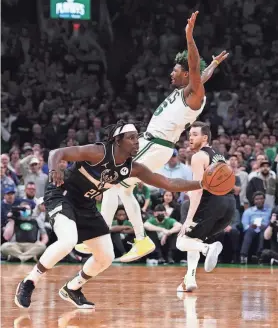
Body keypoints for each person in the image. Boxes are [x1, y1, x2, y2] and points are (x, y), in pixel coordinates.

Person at [82, 11, 229, 263]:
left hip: (154, 144)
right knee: (123, 190)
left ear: (186, 74)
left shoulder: (194, 94)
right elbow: (201, 74)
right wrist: (213, 65)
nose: (171, 74)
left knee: (112, 183)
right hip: (155, 146)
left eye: (175, 71)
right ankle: (138, 240)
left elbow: (195, 69)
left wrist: (189, 37)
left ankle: (102, 236)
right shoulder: (188, 89)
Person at [15, 120, 209, 309]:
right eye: (131, 138)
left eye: (137, 138)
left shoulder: (133, 167)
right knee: (68, 241)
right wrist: (55, 169)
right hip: (62, 196)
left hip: (86, 205)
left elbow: (168, 183)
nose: (136, 141)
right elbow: (58, 153)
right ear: (118, 140)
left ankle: (72, 288)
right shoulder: (98, 152)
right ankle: (29, 282)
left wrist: (202, 183)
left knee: (106, 256)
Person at [176, 121, 236, 292]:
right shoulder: (219, 155)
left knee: (182, 241)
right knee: (193, 239)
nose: (190, 138)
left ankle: (207, 248)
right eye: (189, 135)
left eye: (195, 134)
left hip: (213, 203)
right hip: (230, 205)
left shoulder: (198, 157)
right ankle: (190, 279)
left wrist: (188, 220)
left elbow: (197, 191)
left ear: (205, 137)